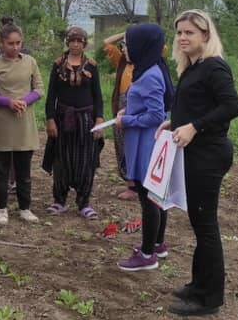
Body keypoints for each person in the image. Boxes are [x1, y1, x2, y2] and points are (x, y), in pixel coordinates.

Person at [160, 9, 238, 317]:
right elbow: (196, 107)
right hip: (194, 153)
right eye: (179, 32)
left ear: (206, 36)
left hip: (209, 154)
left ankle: (210, 299)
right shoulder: (192, 67)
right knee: (198, 221)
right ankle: (198, 284)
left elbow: (232, 106)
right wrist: (174, 123)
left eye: (189, 32)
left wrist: (194, 127)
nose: (182, 37)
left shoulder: (214, 67)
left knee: (206, 224)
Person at [115, 24, 175, 271]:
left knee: (148, 198)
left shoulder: (150, 75)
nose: (124, 49)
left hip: (147, 145)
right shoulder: (149, 69)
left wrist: (126, 120)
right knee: (156, 197)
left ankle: (147, 254)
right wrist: (127, 110)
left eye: (127, 44)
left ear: (141, 46)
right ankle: (158, 244)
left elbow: (156, 115)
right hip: (147, 143)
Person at [44, 26, 105, 219]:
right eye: (72, 40)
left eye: (80, 41)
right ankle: (59, 200)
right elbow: (51, 95)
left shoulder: (92, 66)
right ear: (67, 43)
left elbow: (98, 96)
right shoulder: (58, 64)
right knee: (61, 159)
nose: (76, 44)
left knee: (85, 160)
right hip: (63, 119)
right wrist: (50, 119)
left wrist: (99, 119)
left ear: (85, 44)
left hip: (86, 119)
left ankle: (84, 202)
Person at [0, 18, 43, 225]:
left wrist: (24, 101)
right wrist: (8, 102)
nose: (15, 47)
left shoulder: (30, 62)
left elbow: (39, 89)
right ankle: (2, 208)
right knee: (1, 169)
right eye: (10, 43)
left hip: (24, 123)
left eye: (18, 43)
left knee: (24, 170)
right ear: (1, 43)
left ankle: (25, 208)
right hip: (2, 122)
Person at [103, 31, 137, 201]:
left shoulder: (148, 64)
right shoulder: (122, 62)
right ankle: (130, 184)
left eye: (127, 46)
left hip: (138, 109)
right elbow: (107, 42)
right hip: (122, 106)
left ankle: (139, 185)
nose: (124, 49)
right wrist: (126, 33)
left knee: (137, 145)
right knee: (123, 145)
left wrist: (137, 34)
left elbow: (161, 45)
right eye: (123, 46)